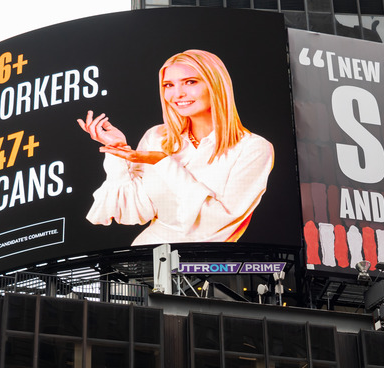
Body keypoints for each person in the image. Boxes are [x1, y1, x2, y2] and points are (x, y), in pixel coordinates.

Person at [77, 50, 273, 245]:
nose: (178, 94)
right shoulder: (157, 137)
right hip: (145, 257)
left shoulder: (253, 149)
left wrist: (164, 163)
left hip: (206, 266)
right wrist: (117, 150)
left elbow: (215, 224)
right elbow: (138, 210)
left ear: (216, 84)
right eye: (169, 85)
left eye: (190, 82)